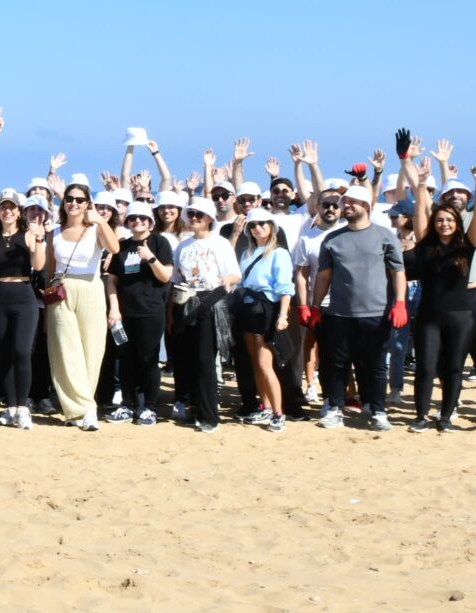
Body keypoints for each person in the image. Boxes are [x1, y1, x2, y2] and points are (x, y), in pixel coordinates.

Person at [405, 159, 476, 432]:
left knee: (454, 367)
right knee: (426, 367)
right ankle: (421, 417)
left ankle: (445, 418)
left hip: (461, 317)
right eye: (440, 220)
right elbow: (420, 211)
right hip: (428, 317)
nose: (444, 224)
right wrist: (421, 183)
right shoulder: (425, 245)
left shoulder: (467, 245)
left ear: (458, 223)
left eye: (449, 220)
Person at [309, 183, 407, 431]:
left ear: (366, 205)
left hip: (377, 313)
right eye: (345, 202)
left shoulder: (385, 236)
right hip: (340, 314)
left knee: (374, 365)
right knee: (337, 364)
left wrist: (400, 303)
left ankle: (378, 410)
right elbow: (323, 276)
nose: (346, 205)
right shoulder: (332, 239)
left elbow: (398, 271)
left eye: (351, 201)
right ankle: (334, 407)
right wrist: (315, 306)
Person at [38, 179, 116, 430]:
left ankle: (85, 408)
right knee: (65, 351)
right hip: (61, 290)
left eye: (79, 199)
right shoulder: (55, 233)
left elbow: (114, 247)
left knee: (92, 351)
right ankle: (78, 409)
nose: (73, 203)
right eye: (69, 198)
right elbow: (49, 268)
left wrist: (101, 220)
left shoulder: (95, 229)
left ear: (87, 203)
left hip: (91, 288)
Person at [106, 195, 175, 424]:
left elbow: (166, 276)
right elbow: (112, 280)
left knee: (148, 359)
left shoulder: (159, 243)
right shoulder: (122, 246)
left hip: (151, 311)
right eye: (133, 218)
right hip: (125, 312)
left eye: (143, 218)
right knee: (126, 359)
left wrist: (151, 258)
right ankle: (127, 405)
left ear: (150, 221)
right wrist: (114, 308)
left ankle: (150, 407)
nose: (138, 221)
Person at [170, 197, 238, 431]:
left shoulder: (220, 243)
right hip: (187, 301)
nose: (195, 218)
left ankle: (209, 416)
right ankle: (195, 410)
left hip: (211, 301)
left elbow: (234, 274)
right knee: (188, 360)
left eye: (200, 215)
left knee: (205, 360)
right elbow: (177, 278)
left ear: (209, 218)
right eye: (191, 215)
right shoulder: (182, 246)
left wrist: (224, 282)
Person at [0, 189, 39, 428]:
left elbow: (39, 265)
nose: (8, 211)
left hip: (24, 296)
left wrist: (39, 240)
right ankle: (11, 407)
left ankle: (23, 407)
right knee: (4, 353)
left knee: (22, 351)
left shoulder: (29, 235)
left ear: (19, 211)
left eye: (12, 207)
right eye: (3, 207)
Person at [230, 209, 295, 431]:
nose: (258, 228)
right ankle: (265, 408)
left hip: (267, 308)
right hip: (248, 308)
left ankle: (278, 413)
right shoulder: (247, 253)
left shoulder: (279, 253)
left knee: (266, 364)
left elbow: (285, 287)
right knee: (255, 364)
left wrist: (283, 315)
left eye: (262, 224)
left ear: (272, 227)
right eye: (253, 225)